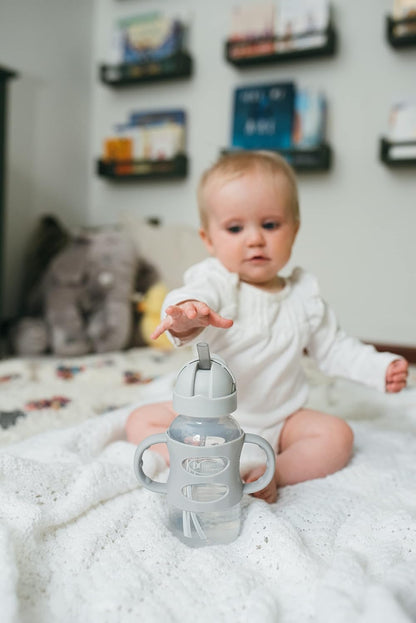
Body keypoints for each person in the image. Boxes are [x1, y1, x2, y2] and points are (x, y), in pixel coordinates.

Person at [126, 151, 408, 503]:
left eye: (270, 225)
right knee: (140, 422)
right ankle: (207, 463)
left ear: (294, 229)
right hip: (210, 419)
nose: (255, 239)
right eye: (235, 228)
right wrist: (186, 314)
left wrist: (378, 368)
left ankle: (271, 472)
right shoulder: (215, 281)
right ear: (209, 239)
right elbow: (194, 300)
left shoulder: (304, 297)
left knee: (338, 436)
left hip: (282, 418)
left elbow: (335, 348)